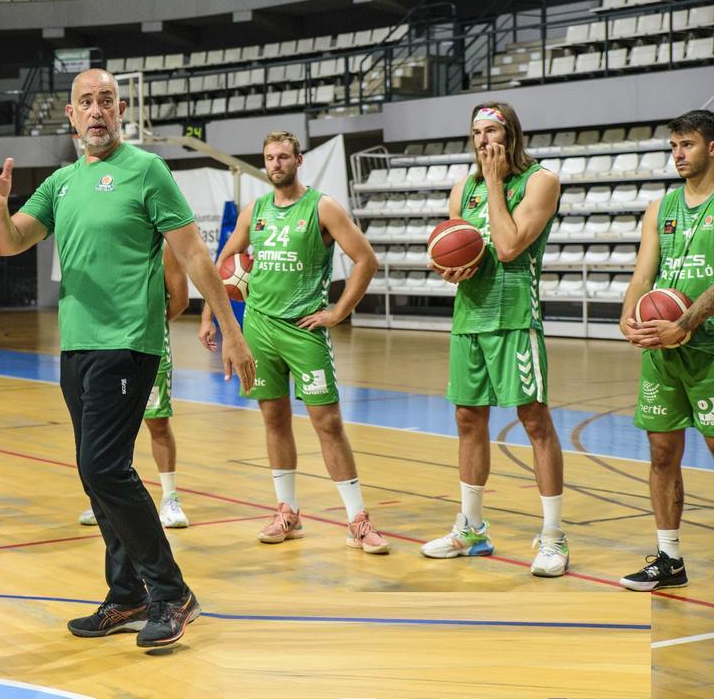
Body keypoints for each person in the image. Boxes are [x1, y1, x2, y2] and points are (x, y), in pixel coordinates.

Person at [0, 68, 254, 648]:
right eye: (86, 102)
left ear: (121, 109)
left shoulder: (147, 171)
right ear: (72, 116)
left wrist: (230, 329)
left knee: (105, 468)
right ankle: (126, 594)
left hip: (128, 342)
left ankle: (170, 592)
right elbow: (7, 243)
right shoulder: (60, 183)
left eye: (106, 100)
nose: (97, 110)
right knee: (94, 474)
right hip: (76, 346)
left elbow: (196, 255)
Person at [199, 131, 389, 554]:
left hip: (304, 331)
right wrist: (210, 315)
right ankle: (288, 511)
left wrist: (338, 311)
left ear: (298, 161)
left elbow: (366, 259)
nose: (276, 164)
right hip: (259, 331)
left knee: (328, 423)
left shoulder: (322, 207)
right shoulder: (256, 211)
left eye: (284, 156)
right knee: (274, 420)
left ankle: (357, 519)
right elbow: (222, 265)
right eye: (269, 158)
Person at [422, 102, 567, 577]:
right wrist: (447, 266)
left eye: (492, 132)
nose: (484, 141)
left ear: (511, 136)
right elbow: (452, 248)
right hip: (470, 318)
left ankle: (552, 537)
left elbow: (506, 246)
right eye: (477, 133)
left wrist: (496, 183)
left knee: (534, 420)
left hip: (513, 319)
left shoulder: (541, 180)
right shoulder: (462, 186)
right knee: (467, 420)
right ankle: (472, 529)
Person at [619, 108, 714, 591]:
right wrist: (629, 314)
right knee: (661, 453)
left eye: (688, 145)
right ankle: (669, 559)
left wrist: (687, 322)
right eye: (674, 146)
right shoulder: (661, 207)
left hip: (709, 349)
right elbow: (642, 274)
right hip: (663, 346)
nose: (678, 154)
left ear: (712, 148)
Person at [78, 242, 189, 529]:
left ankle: (170, 498)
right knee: (108, 428)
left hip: (149, 348)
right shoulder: (104, 244)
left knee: (158, 424)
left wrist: (146, 325)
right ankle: (107, 500)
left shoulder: (164, 246)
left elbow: (180, 300)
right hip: (105, 346)